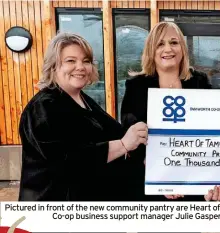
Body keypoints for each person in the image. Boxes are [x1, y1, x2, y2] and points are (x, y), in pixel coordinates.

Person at [18, 32, 147, 201]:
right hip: (55, 212)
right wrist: (123, 144)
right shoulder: (43, 108)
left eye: (86, 61)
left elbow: (115, 134)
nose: (80, 67)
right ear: (54, 66)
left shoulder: (83, 99)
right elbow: (68, 162)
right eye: (70, 61)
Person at [120, 21, 220, 201]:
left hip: (195, 183)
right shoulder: (136, 86)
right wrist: (160, 178)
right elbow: (131, 138)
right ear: (151, 51)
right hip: (151, 185)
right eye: (160, 44)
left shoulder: (200, 82)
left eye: (174, 42)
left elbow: (213, 132)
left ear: (182, 48)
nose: (168, 49)